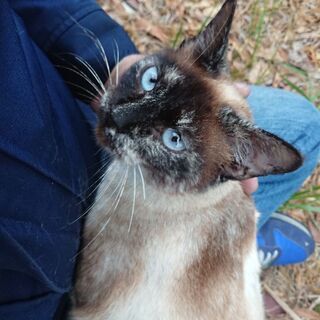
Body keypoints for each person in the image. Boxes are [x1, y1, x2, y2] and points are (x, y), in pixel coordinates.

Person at [0, 1, 319, 319]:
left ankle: (235, 263)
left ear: (234, 164)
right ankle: (236, 267)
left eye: (151, 78)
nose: (118, 115)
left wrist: (113, 63)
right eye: (150, 80)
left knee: (306, 125)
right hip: (43, 280)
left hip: (68, 126)